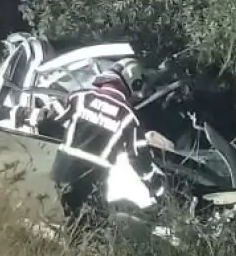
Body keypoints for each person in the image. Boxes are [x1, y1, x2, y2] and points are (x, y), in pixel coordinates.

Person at [41, 72, 154, 228]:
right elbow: (137, 157)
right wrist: (155, 187)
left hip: (63, 170)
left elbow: (47, 121)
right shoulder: (128, 116)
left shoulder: (79, 98)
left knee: (63, 216)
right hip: (92, 178)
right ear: (131, 84)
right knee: (91, 225)